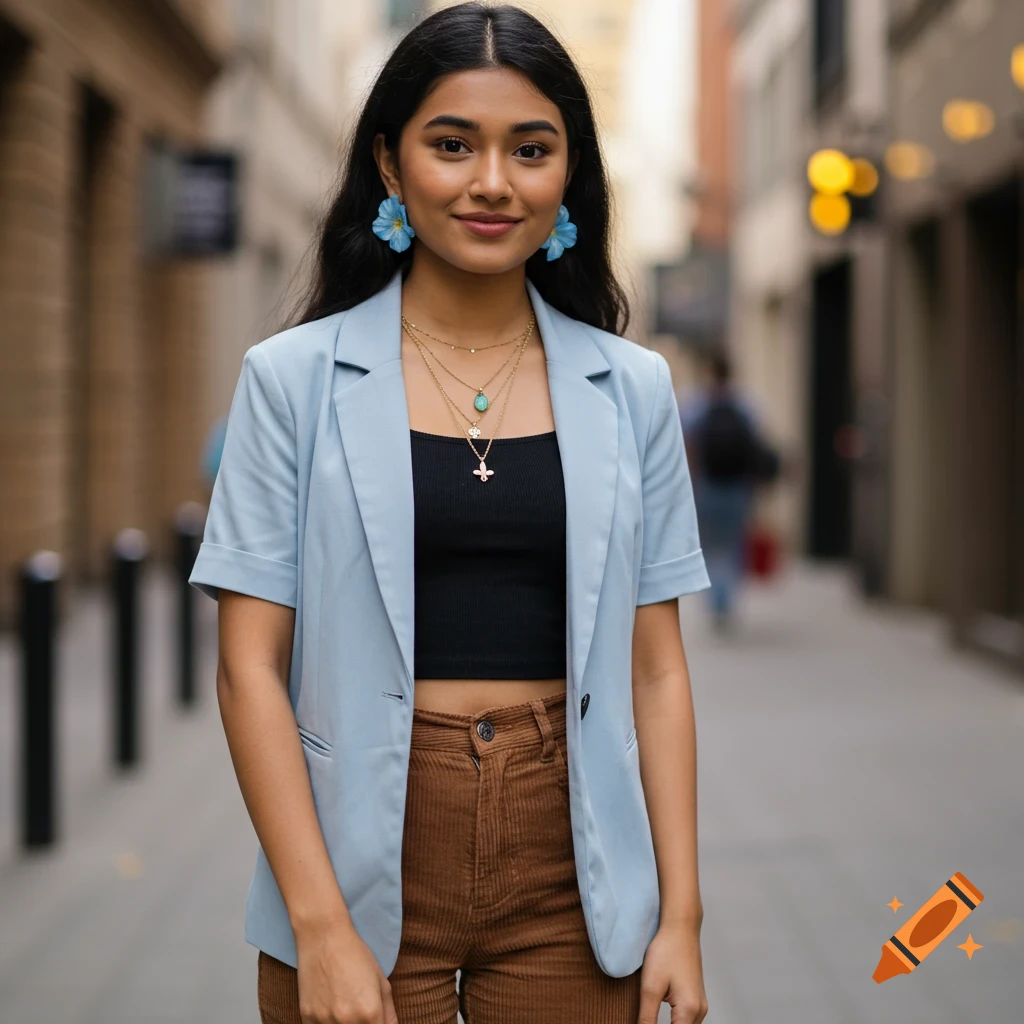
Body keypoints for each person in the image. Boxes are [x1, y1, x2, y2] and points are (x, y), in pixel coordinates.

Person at [188, 5, 711, 1022]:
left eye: (531, 149)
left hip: (574, 864)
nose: (491, 182)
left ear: (569, 176)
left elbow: (657, 666)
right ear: (390, 164)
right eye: (452, 144)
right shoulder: (290, 380)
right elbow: (248, 665)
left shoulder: (632, 387)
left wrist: (681, 914)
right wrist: (319, 923)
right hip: (353, 855)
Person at [680, 350, 774, 631]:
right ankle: (727, 598)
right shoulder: (747, 404)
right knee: (733, 542)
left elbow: (685, 444)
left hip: (706, 485)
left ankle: (715, 599)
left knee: (709, 543)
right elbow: (757, 446)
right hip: (737, 485)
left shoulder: (695, 403)